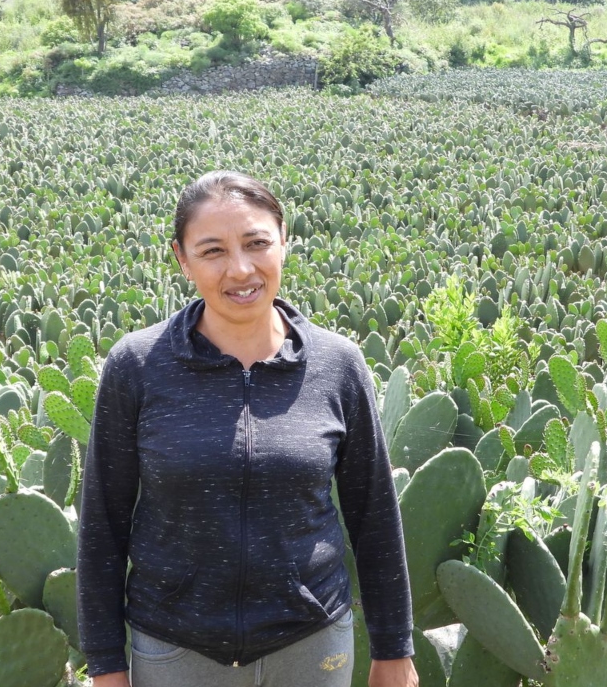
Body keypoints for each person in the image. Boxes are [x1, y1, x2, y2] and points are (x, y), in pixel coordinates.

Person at [77, 170, 419, 687]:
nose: (240, 269)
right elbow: (103, 524)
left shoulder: (337, 364)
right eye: (212, 250)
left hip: (311, 645)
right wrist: (105, 665)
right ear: (181, 258)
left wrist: (393, 648)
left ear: (285, 240)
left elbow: (373, 514)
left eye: (257, 243)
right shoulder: (138, 366)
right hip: (175, 649)